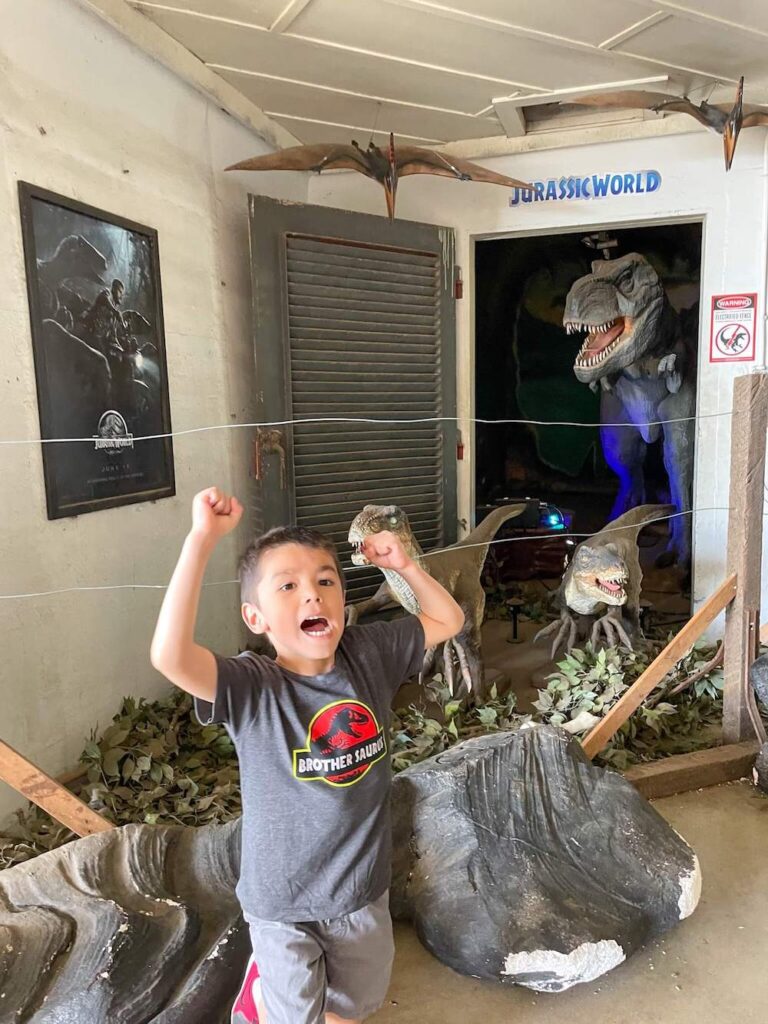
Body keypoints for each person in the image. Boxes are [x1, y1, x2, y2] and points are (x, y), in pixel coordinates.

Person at [150, 487, 464, 1024]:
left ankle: (280, 998)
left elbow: (448, 620)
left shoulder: (369, 654)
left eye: (325, 582)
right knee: (295, 1016)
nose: (312, 597)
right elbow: (169, 656)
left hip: (361, 890)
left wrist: (405, 567)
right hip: (283, 902)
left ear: (343, 598)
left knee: (353, 1006)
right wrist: (201, 540)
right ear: (256, 616)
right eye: (288, 587)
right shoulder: (252, 685)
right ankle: (262, 1001)